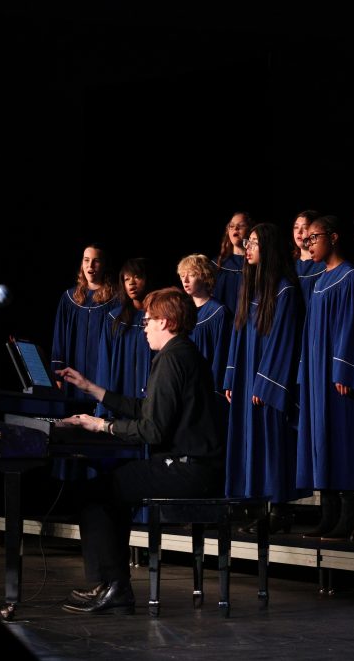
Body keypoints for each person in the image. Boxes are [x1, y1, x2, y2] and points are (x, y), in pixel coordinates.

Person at [55, 288, 225, 614]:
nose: (144, 327)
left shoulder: (173, 359)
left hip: (187, 471)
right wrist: (93, 389)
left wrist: (102, 426)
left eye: (149, 321)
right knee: (111, 492)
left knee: (95, 493)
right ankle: (112, 585)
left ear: (167, 321)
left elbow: (152, 430)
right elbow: (148, 409)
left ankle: (114, 587)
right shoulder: (184, 353)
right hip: (195, 467)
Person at [296, 216, 354, 540]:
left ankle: (351, 514)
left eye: (314, 237)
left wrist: (345, 368)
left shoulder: (350, 277)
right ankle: (328, 513)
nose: (308, 243)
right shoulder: (319, 281)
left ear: (332, 237)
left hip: (338, 377)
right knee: (321, 440)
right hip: (319, 375)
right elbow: (309, 333)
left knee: (341, 440)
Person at [224, 223, 305, 532]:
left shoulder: (284, 290)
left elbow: (284, 341)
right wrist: (232, 377)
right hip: (246, 377)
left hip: (266, 381)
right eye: (249, 242)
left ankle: (280, 509)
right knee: (250, 440)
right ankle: (256, 504)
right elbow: (238, 335)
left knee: (272, 441)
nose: (249, 248)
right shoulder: (250, 289)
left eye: (255, 243)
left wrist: (266, 382)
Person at [50, 244, 119, 400]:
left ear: (104, 265)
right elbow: (59, 340)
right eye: (86, 260)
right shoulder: (69, 298)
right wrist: (57, 375)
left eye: (96, 261)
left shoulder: (116, 300)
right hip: (72, 376)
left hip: (103, 377)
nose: (90, 265)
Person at [95, 259, 154, 418]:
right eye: (126, 279)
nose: (131, 283)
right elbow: (104, 363)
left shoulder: (159, 319)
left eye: (136, 277)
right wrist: (104, 406)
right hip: (119, 399)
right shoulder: (114, 318)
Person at [177, 253, 231, 396]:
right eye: (182, 275)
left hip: (206, 389)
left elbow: (221, 355)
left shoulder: (218, 312)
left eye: (192, 275)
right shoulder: (183, 311)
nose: (185, 280)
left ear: (205, 277)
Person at [212, 212, 254, 315]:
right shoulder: (216, 264)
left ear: (249, 230)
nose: (235, 229)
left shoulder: (255, 264)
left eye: (241, 226)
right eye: (232, 226)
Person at [292, 209, 325, 305]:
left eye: (305, 227)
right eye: (296, 227)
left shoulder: (325, 265)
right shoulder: (290, 265)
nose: (299, 231)